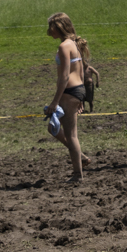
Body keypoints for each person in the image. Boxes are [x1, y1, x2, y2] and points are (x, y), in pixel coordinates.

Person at [46, 12, 90, 183]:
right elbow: (81, 71)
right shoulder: (74, 44)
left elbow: (64, 77)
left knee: (71, 135)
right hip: (77, 91)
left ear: (59, 27)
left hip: (69, 92)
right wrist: (81, 97)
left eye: (51, 27)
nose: (49, 30)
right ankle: (81, 157)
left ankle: (78, 174)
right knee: (53, 128)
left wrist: (55, 101)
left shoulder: (64, 46)